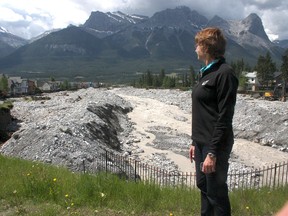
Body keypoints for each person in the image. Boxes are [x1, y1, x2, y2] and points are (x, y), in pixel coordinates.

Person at [189, 27, 238, 216]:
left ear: (207, 47)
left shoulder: (225, 74)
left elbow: (224, 116)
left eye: (198, 44)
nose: (195, 48)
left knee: (216, 193)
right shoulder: (206, 73)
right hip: (202, 143)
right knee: (203, 186)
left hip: (214, 144)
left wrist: (213, 152)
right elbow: (203, 112)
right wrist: (195, 142)